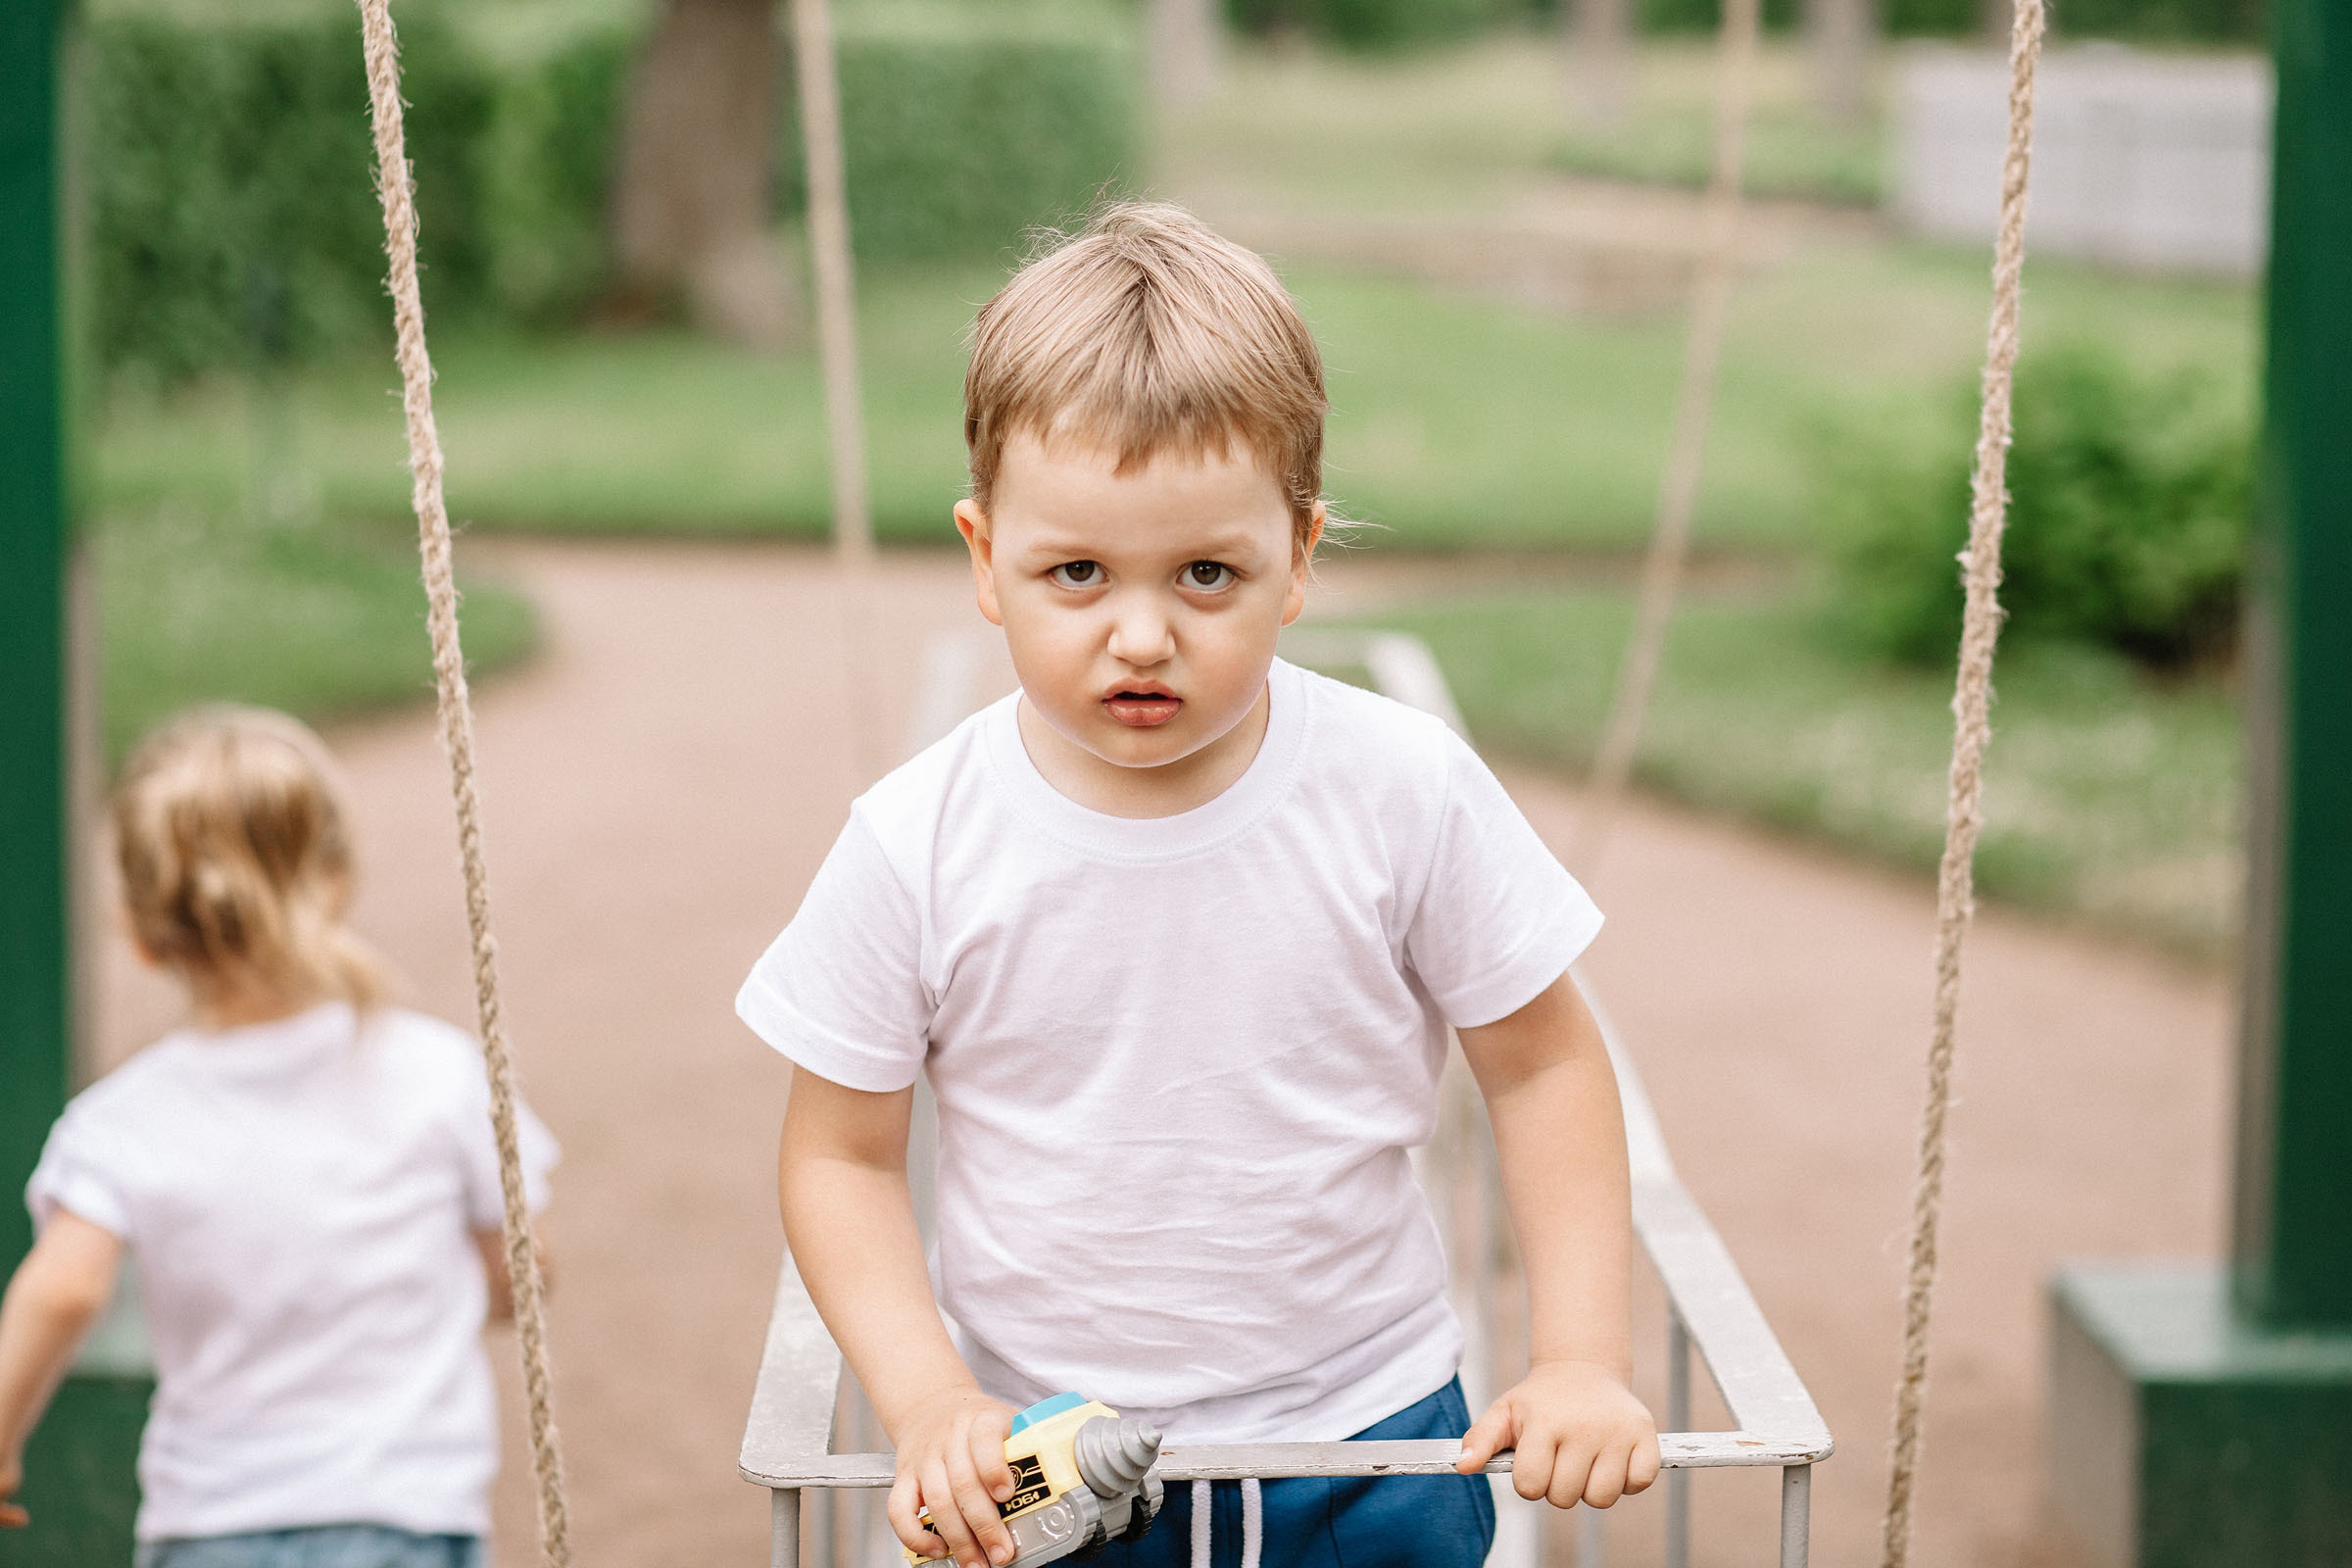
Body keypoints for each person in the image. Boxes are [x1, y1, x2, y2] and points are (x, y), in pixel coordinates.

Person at [741, 202, 1658, 1568]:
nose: (1143, 633)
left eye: (1208, 573)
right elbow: (839, 1152)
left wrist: (1579, 1356)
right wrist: (928, 1396)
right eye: (1078, 573)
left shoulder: (1403, 785)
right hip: (1045, 1459)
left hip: (1372, 1433)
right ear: (988, 559)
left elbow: (1541, 1068)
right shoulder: (915, 838)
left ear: (1300, 555)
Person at [0, 707, 557, 1568]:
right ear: (336, 880)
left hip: (212, 1523)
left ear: (144, 933)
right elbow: (519, 1273)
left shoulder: (123, 1119)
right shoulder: (438, 1073)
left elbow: (65, 1291)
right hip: (401, 1512)